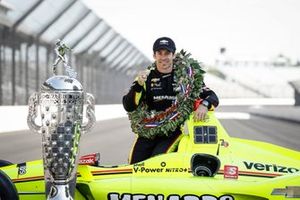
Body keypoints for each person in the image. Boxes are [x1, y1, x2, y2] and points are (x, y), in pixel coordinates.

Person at [122, 37, 219, 164]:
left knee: (157, 162)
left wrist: (204, 105)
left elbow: (212, 96)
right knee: (134, 164)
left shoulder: (187, 77)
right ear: (154, 55)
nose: (163, 57)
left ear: (173, 55)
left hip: (171, 133)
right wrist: (138, 84)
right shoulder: (145, 77)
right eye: (159, 53)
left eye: (167, 53)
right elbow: (129, 106)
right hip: (147, 132)